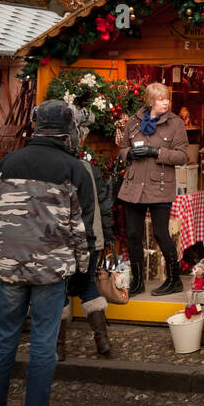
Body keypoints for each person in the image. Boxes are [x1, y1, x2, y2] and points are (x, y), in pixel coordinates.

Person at [0, 100, 94, 406]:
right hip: (50, 271)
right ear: (68, 129)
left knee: (2, 346)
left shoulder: (7, 163)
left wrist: (2, 257)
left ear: (36, 126)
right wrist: (80, 271)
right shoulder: (74, 168)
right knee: (43, 347)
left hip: (10, 269)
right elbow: (80, 230)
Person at [118, 82, 189, 296]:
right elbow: (122, 149)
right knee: (133, 234)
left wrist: (155, 151)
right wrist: (129, 153)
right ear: (150, 101)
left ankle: (174, 280)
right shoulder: (133, 122)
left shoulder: (175, 124)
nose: (165, 102)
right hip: (134, 186)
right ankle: (138, 282)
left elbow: (183, 156)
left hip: (159, 186)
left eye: (167, 98)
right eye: (160, 99)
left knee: (160, 233)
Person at [59, 109, 115, 360]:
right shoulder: (89, 168)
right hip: (91, 239)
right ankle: (102, 340)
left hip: (62, 240)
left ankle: (57, 346)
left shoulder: (58, 169)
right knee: (88, 284)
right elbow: (104, 205)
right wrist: (107, 238)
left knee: (58, 289)